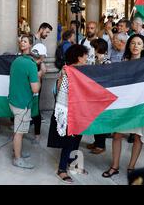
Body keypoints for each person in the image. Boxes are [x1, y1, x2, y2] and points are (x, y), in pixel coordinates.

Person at [102, 34, 144, 178]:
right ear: (129, 45)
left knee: (138, 136)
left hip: (142, 105)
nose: (136, 46)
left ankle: (131, 167)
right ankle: (115, 166)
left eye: (139, 43)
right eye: (133, 43)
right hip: (124, 105)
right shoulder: (123, 62)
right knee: (117, 134)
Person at [48, 44, 89, 184]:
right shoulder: (67, 71)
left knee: (77, 139)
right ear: (79, 57)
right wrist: (62, 77)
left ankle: (73, 164)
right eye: (85, 56)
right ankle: (61, 169)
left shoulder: (82, 71)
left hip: (80, 110)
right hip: (68, 111)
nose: (87, 58)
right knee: (69, 141)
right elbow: (59, 91)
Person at [9, 43, 45, 169]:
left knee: (18, 131)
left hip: (13, 101)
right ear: (41, 58)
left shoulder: (18, 60)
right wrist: (39, 76)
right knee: (19, 133)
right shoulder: (32, 65)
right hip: (22, 105)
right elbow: (35, 89)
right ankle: (17, 159)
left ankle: (17, 151)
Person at [86, 39, 111, 154]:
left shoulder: (107, 62)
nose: (93, 50)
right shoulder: (96, 60)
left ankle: (101, 145)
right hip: (94, 95)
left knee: (100, 120)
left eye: (94, 47)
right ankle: (96, 142)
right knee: (95, 120)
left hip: (103, 96)